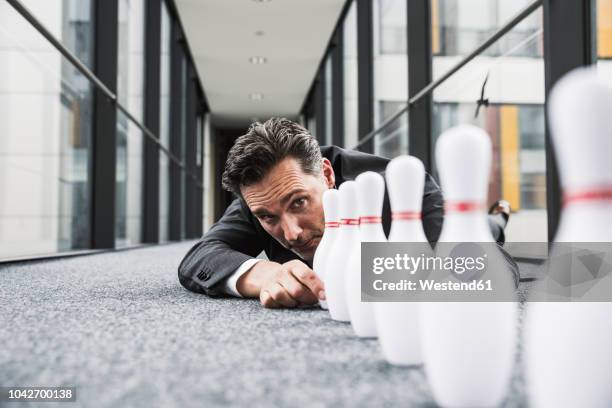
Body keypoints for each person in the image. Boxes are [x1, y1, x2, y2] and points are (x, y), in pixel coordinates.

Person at [178, 117, 518, 308]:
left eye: (299, 202)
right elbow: (201, 257)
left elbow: (496, 270)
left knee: (485, 230)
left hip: (443, 228)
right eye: (269, 218)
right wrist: (262, 274)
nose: (292, 233)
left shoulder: (400, 188)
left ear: (327, 175)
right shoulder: (262, 195)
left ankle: (499, 214)